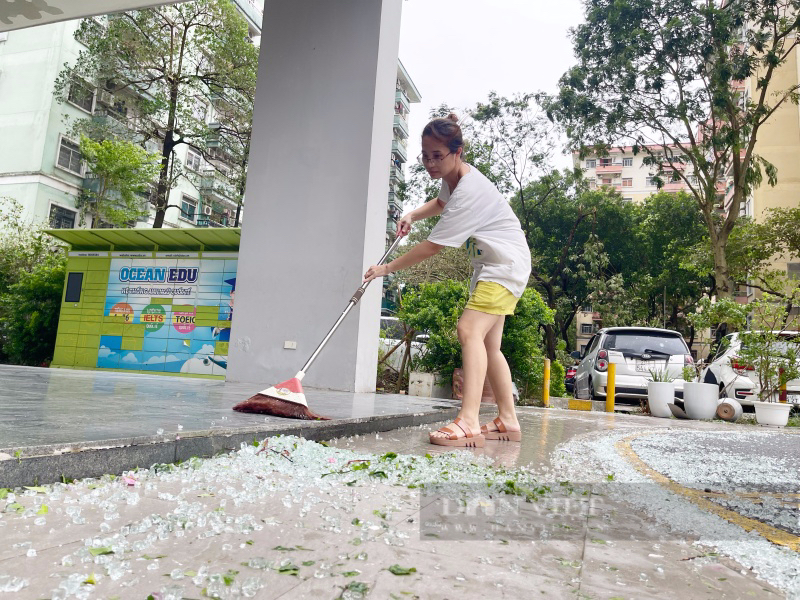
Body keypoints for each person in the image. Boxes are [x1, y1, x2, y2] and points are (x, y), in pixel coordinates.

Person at [364, 114, 531, 447]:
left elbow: (432, 246)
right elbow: (440, 203)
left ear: (458, 151)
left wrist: (387, 268)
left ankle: (468, 420)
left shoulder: (470, 190)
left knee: (468, 330)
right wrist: (412, 213)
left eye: (437, 156)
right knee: (489, 345)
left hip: (504, 266)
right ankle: (508, 421)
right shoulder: (452, 180)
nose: (430, 163)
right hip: (491, 266)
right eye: (426, 156)